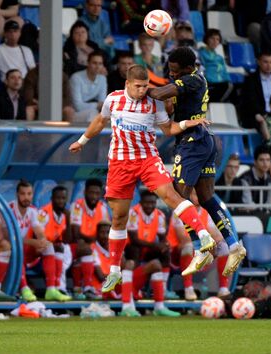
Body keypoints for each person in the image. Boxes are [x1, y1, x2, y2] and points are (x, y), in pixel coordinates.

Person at [69, 64, 218, 293]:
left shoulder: (154, 102)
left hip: (147, 159)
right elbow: (100, 121)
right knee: (119, 218)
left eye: (145, 86)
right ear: (127, 84)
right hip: (120, 163)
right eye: (138, 86)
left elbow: (168, 129)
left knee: (170, 195)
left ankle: (204, 236)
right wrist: (82, 141)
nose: (142, 90)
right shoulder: (113, 99)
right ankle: (114, 272)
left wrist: (189, 123)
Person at [148, 47, 246, 277]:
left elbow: (162, 94)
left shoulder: (191, 79)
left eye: (174, 70)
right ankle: (233, 245)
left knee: (178, 197)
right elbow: (171, 106)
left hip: (192, 142)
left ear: (187, 68)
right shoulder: (188, 82)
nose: (172, 74)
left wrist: (140, 89)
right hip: (203, 140)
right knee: (206, 197)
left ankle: (200, 246)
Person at [8, 181, 68, 302]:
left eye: (29, 194)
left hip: (28, 251)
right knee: (15, 249)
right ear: (17, 195)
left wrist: (42, 241)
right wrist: (33, 242)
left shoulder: (33, 210)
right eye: (23, 194)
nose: (26, 197)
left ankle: (51, 289)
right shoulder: (9, 209)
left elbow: (39, 230)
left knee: (49, 246)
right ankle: (24, 289)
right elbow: (10, 238)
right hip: (13, 250)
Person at [124, 191, 181, 316]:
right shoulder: (133, 213)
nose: (150, 205)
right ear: (141, 203)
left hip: (148, 247)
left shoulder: (159, 215)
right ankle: (134, 284)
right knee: (135, 249)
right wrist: (156, 245)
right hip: (133, 248)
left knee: (165, 252)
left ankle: (163, 289)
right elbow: (133, 238)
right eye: (147, 202)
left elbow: (161, 237)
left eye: (152, 203)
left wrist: (164, 245)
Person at [166, 193, 231, 301]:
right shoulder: (179, 211)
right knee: (188, 246)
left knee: (223, 247)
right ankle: (188, 288)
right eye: (196, 194)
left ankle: (223, 289)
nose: (199, 197)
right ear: (190, 195)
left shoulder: (206, 211)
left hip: (201, 252)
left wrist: (219, 241)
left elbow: (216, 235)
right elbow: (183, 238)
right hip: (176, 255)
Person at [68, 179, 110, 300]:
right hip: (75, 246)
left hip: (94, 246)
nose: (94, 196)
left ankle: (87, 288)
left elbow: (107, 230)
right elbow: (76, 234)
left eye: (97, 193)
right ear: (85, 192)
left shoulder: (102, 208)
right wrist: (94, 239)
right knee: (85, 248)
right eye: (91, 193)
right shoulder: (76, 206)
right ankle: (86, 287)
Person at [70, 51, 107, 123]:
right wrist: (97, 105)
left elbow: (102, 104)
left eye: (100, 64)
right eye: (94, 63)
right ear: (88, 63)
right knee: (92, 113)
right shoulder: (76, 78)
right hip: (74, 113)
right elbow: (77, 106)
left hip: (93, 112)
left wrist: (99, 106)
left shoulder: (102, 78)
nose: (97, 66)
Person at [198, 29, 233, 102]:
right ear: (207, 39)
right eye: (212, 38)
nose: (215, 41)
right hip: (208, 83)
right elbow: (200, 69)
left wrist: (228, 80)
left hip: (220, 84)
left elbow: (224, 72)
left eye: (217, 39)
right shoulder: (201, 53)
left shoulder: (219, 58)